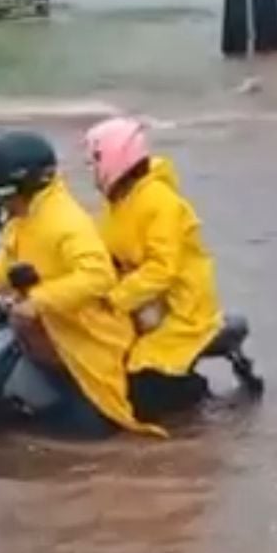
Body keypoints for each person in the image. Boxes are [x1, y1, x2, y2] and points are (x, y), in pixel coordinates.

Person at [0, 130, 164, 440]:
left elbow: (98, 275)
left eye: (0, 192)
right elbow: (6, 269)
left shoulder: (64, 222)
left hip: (86, 341)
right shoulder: (26, 218)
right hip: (46, 334)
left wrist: (38, 301)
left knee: (79, 436)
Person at [83, 117, 224, 423]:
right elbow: (99, 248)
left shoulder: (161, 203)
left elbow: (162, 269)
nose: (91, 171)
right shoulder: (117, 203)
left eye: (95, 160)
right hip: (141, 304)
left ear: (115, 159)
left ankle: (197, 399)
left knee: (141, 387)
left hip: (181, 310)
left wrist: (115, 299)